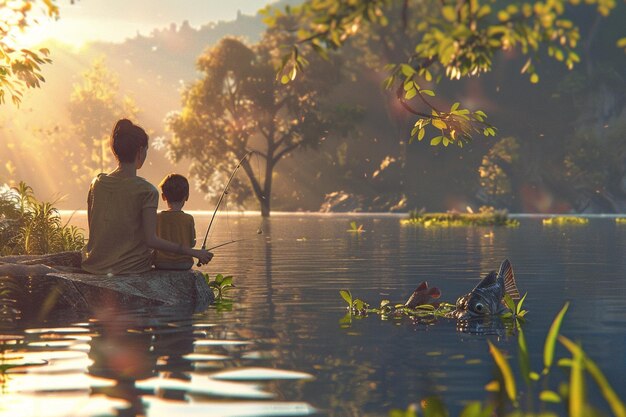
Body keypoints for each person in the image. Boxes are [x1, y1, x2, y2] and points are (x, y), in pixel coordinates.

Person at [81, 119, 212, 275]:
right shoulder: (147, 191)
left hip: (92, 264)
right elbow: (152, 240)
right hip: (129, 268)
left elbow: (94, 229)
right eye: (146, 150)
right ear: (140, 151)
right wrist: (194, 252)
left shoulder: (96, 183)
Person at [153, 173, 196, 270]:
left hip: (161, 263)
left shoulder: (156, 217)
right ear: (187, 196)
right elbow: (192, 243)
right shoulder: (189, 218)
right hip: (184, 264)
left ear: (163, 196)